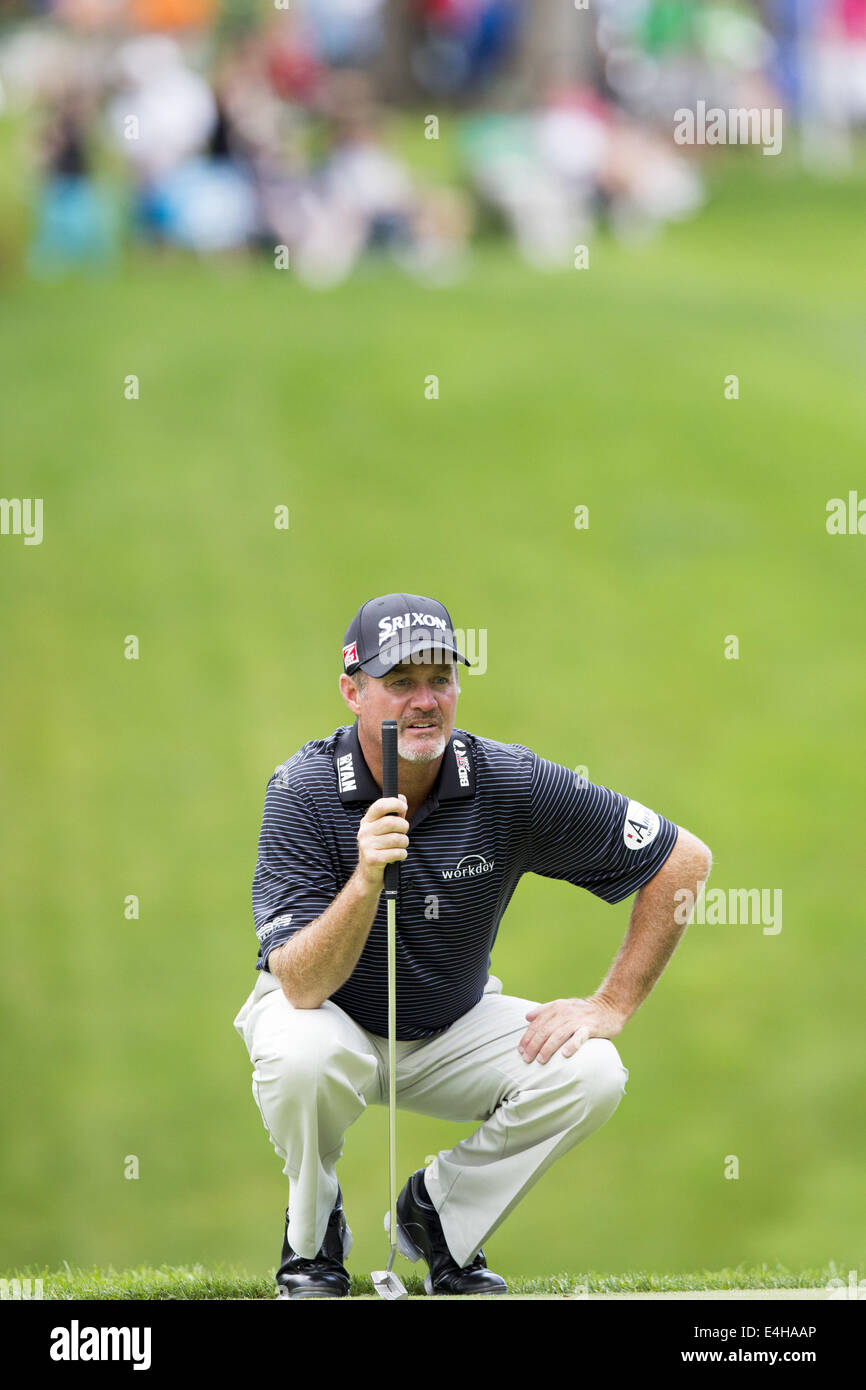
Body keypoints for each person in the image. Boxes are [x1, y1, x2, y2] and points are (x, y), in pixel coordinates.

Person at [233, 592, 712, 1298]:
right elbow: (301, 987)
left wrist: (610, 1004)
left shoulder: (507, 780)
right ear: (353, 692)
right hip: (325, 1017)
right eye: (400, 683)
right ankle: (312, 1244)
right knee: (305, 1058)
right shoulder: (302, 791)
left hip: (449, 1025)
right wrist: (366, 879)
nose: (425, 702)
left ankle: (439, 1220)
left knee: (593, 1072)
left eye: (440, 679)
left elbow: (683, 860)